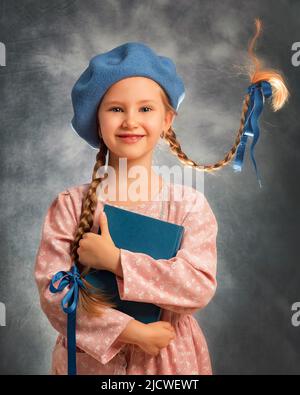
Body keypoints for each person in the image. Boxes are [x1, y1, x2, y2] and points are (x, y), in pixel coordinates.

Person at [34, 19, 289, 375]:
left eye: (146, 109)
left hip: (167, 361)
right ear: (97, 119)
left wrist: (117, 261)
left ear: (168, 119)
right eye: (116, 109)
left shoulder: (189, 206)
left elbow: (197, 286)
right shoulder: (70, 206)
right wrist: (133, 331)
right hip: (91, 362)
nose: (130, 121)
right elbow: (53, 294)